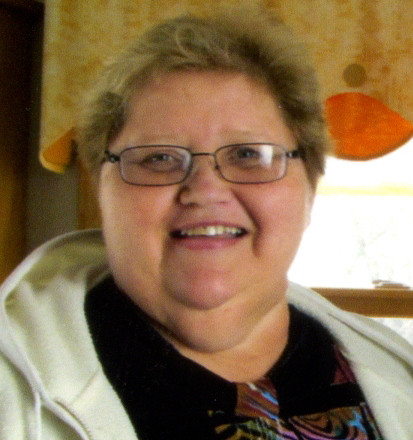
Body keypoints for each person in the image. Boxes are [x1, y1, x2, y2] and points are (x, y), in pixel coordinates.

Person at [1, 3, 412, 439]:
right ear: (102, 188)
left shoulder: (398, 374)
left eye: (248, 154)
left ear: (309, 187)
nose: (205, 190)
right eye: (159, 158)